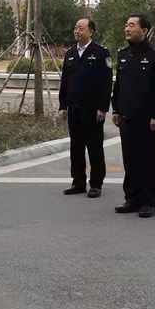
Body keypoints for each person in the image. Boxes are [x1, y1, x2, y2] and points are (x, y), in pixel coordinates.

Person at [111, 14, 155, 217]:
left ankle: (149, 201)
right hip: (126, 116)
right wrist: (115, 109)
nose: (127, 29)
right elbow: (119, 85)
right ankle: (132, 198)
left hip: (146, 118)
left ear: (144, 31)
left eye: (132, 25)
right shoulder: (123, 54)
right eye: (126, 25)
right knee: (130, 159)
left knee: (147, 160)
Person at [58, 19, 113, 198]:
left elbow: (106, 83)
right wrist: (62, 105)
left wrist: (103, 108)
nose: (77, 31)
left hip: (92, 109)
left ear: (91, 32)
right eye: (76, 28)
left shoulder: (100, 53)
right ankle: (78, 182)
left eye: (81, 28)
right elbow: (65, 82)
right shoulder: (70, 54)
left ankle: (96, 183)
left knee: (94, 146)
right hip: (74, 107)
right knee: (76, 146)